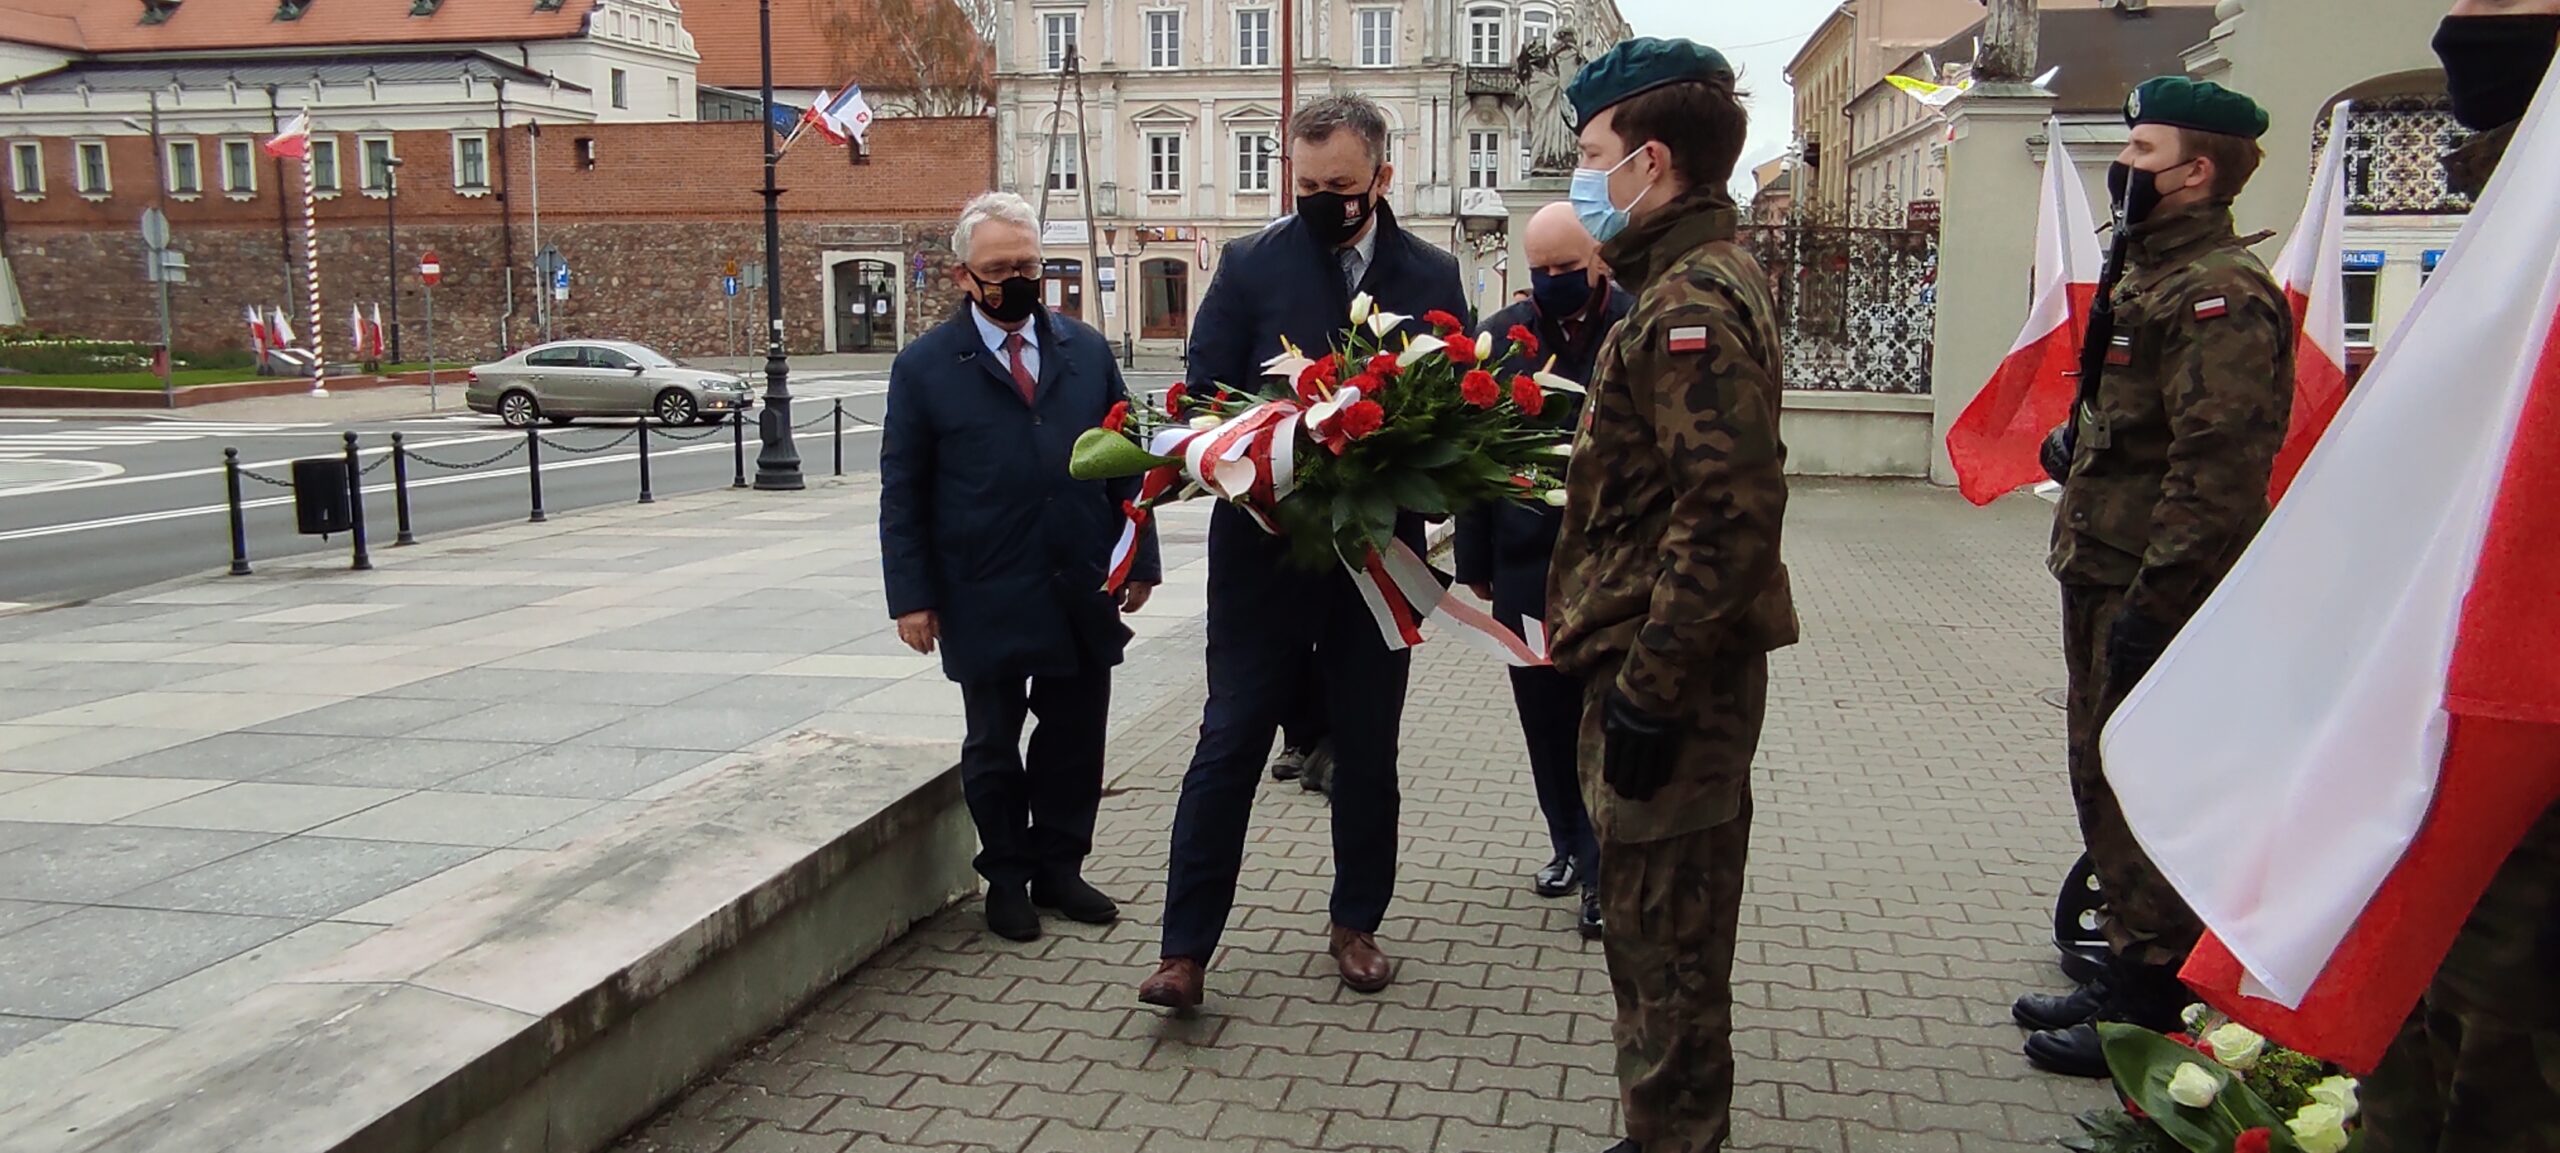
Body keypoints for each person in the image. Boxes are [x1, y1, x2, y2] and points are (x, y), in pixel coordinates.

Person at [1138, 94, 1469, 1011]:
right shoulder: (1250, 263)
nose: (1324, 199)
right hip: (1265, 554)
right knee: (1228, 741)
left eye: (1342, 184)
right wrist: (1272, 447)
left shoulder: (1432, 272)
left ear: (1382, 178)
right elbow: (1203, 399)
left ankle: (1356, 923)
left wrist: (1394, 455)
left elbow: (1454, 404)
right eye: (1308, 184)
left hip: (1375, 558)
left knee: (1367, 748)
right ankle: (1183, 950)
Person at [2013, 77, 2295, 1078]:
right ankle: (2126, 965)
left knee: (2146, 786)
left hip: (2154, 588)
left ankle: (2153, 1002)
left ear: (2196, 171)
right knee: (2102, 775)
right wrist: (2076, 445)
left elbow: (2216, 470)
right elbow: (2138, 424)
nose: (2123, 166)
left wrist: (2158, 604)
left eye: (2142, 152)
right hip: (2102, 567)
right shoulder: (2148, 272)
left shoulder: (2219, 293)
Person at [1545, 39, 1797, 1153]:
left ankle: (1677, 1138)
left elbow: (1729, 510)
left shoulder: (1689, 302)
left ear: (1649, 160)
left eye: (1590, 150)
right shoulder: (1688, 281)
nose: (1582, 175)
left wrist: (1650, 687)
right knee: (1661, 928)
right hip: (1664, 658)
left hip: (1673, 676)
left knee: (1668, 935)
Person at [2362, 4, 2560, 1147]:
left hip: (2526, 734)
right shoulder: (2510, 226)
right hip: (2457, 704)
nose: (2464, 24)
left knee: (2499, 1069)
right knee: (2427, 1039)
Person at [879, 191, 1160, 943]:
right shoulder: (924, 367)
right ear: (964, 277)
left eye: (1029, 266)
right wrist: (911, 597)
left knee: (1075, 735)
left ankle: (1060, 866)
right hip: (983, 585)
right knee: (993, 743)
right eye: (1000, 269)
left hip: (1079, 578)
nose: (1018, 281)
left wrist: (1140, 556)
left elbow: (1127, 460)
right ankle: (1005, 875)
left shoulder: (1086, 350)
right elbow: (902, 489)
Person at [1455, 201, 1634, 941]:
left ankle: (1602, 871)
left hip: (1612, 564)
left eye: (1569, 267)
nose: (1555, 280)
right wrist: (1475, 563)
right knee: (1542, 717)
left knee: (1602, 719)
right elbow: (1475, 452)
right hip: (1525, 562)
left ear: (1599, 261)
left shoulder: (1635, 325)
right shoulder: (1503, 337)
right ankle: (1567, 841)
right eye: (1542, 270)